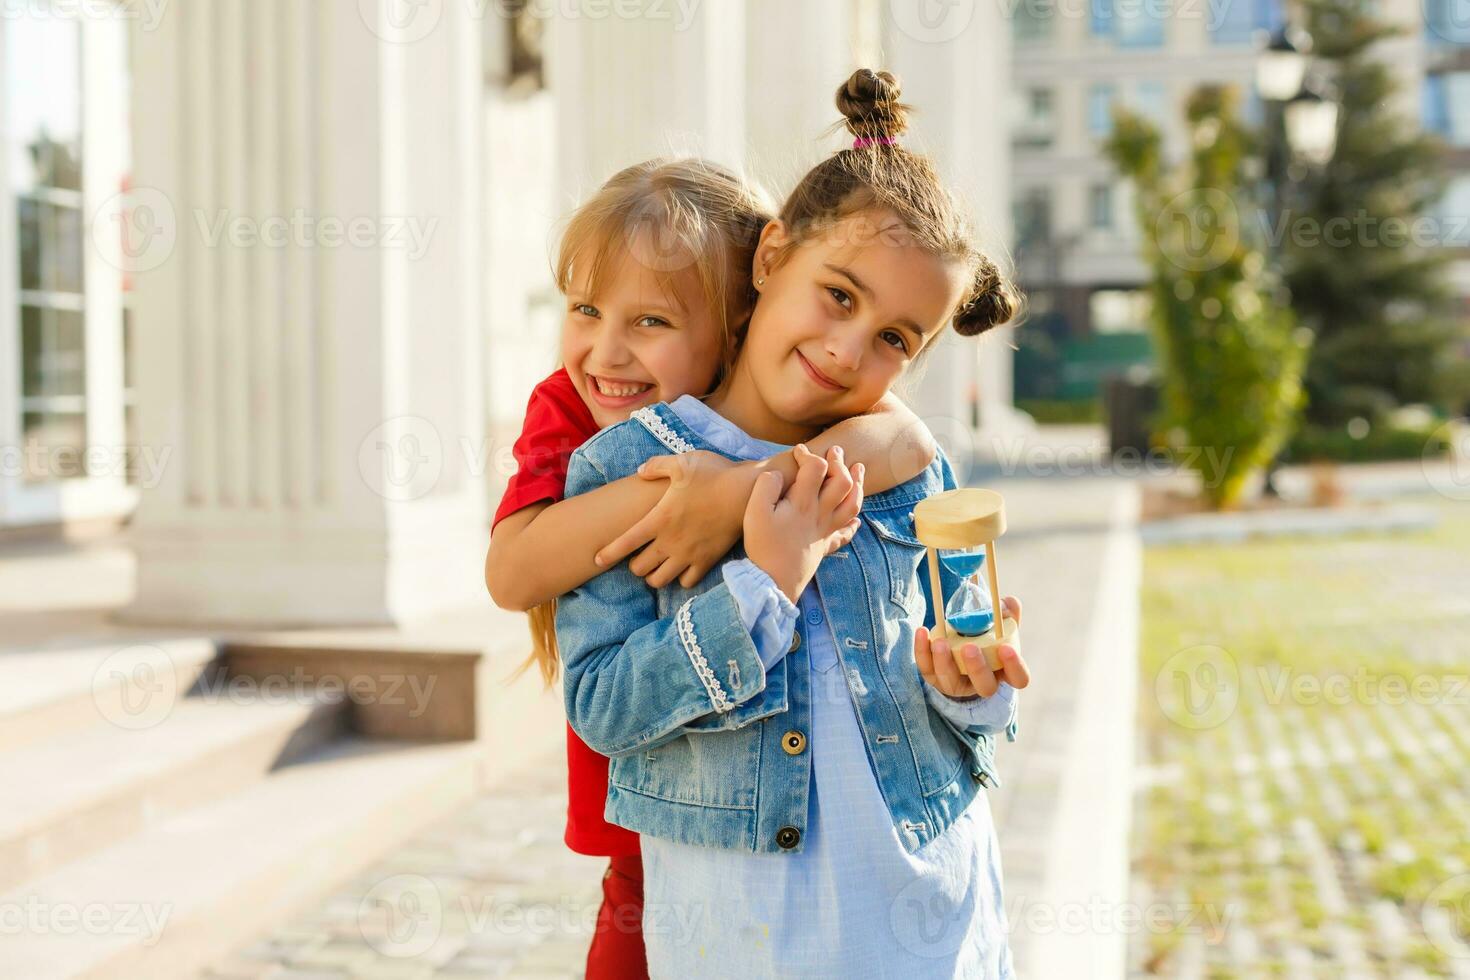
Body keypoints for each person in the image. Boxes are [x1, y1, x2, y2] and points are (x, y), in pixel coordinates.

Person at [557, 69, 1031, 978]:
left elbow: (964, 684)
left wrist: (975, 684)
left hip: (935, 914)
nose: (849, 349)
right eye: (839, 295)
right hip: (748, 933)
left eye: (896, 338)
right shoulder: (626, 467)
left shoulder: (909, 468)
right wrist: (760, 585)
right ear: (772, 257)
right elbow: (604, 710)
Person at [485, 155, 940, 979]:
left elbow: (909, 440)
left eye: (652, 321)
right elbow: (513, 573)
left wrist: (733, 487)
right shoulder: (571, 402)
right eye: (585, 309)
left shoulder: (773, 402)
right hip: (640, 797)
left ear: (736, 322)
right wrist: (700, 498)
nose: (607, 351)